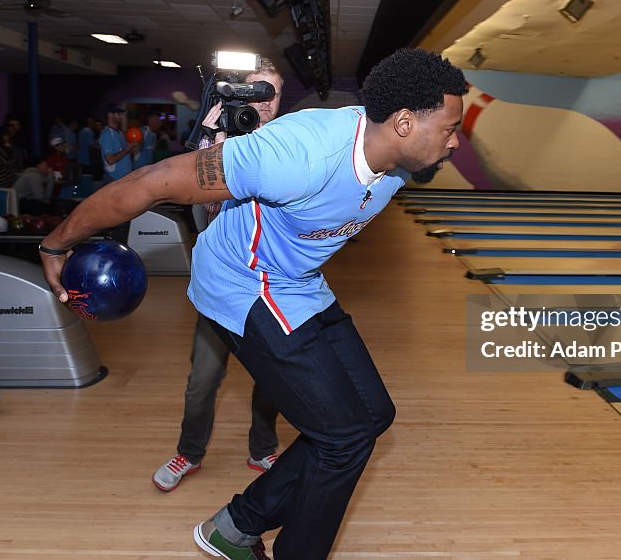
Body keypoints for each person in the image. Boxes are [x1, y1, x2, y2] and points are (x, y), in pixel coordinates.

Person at [39, 48, 465, 559]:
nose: (455, 141)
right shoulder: (299, 155)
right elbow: (149, 184)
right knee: (344, 439)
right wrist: (54, 244)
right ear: (402, 124)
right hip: (243, 280)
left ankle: (236, 525)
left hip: (296, 280)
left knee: (372, 415)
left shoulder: (397, 161)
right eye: (448, 129)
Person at [152, 60, 285, 494]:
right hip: (220, 288)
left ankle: (262, 449)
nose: (265, 102)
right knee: (202, 381)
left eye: (274, 93)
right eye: (257, 92)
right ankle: (189, 453)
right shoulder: (218, 141)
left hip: (267, 287)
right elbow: (198, 205)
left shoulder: (287, 148)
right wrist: (211, 140)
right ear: (238, 96)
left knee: (272, 380)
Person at [98, 104, 137, 182]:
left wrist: (133, 147)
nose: (121, 116)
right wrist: (127, 149)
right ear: (110, 115)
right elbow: (110, 160)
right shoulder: (107, 134)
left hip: (124, 177)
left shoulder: (120, 133)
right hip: (114, 178)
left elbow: (124, 153)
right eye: (118, 114)